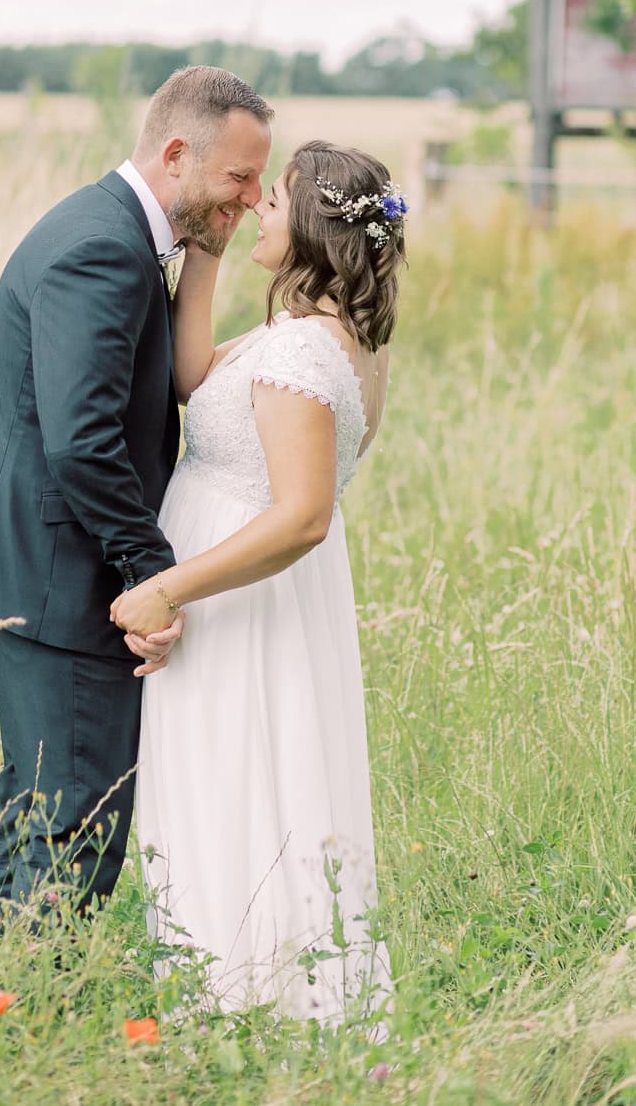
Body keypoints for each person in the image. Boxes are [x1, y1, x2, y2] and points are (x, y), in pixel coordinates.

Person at [0, 67, 273, 930]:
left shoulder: (110, 227)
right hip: (58, 574)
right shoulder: (102, 247)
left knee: (41, 797)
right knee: (75, 812)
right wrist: (154, 577)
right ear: (177, 154)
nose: (255, 199)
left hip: (44, 561)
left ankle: (1, 1002)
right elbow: (84, 438)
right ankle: (29, 1007)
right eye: (240, 178)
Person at [111, 140, 407, 1021]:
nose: (259, 212)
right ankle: (235, 991)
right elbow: (199, 378)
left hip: (234, 598)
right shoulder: (316, 337)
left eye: (271, 202)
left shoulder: (304, 356)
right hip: (254, 596)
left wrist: (170, 587)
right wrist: (204, 253)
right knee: (240, 781)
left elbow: (302, 514)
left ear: (311, 225)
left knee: (233, 784)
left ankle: (241, 1003)